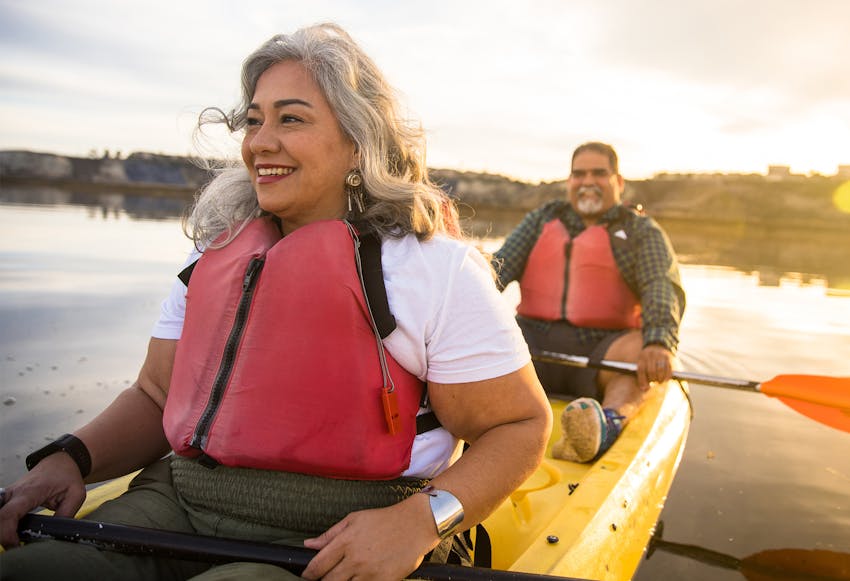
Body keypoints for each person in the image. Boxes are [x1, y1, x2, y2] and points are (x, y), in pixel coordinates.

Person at [0, 23, 552, 580]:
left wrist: (418, 523)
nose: (260, 142)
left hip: (345, 532)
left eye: (291, 118)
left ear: (359, 141)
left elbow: (519, 426)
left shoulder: (433, 270)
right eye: (254, 120)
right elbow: (154, 394)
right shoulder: (214, 259)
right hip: (181, 503)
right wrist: (69, 457)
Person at [492, 141, 684, 463]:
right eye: (578, 174)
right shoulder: (542, 220)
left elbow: (660, 285)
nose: (587, 182)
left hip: (603, 351)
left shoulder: (640, 231)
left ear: (618, 182)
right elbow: (497, 270)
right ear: (569, 182)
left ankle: (606, 423)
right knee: (483, 332)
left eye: (599, 173)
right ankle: (475, 420)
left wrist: (659, 341)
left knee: (639, 350)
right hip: (532, 346)